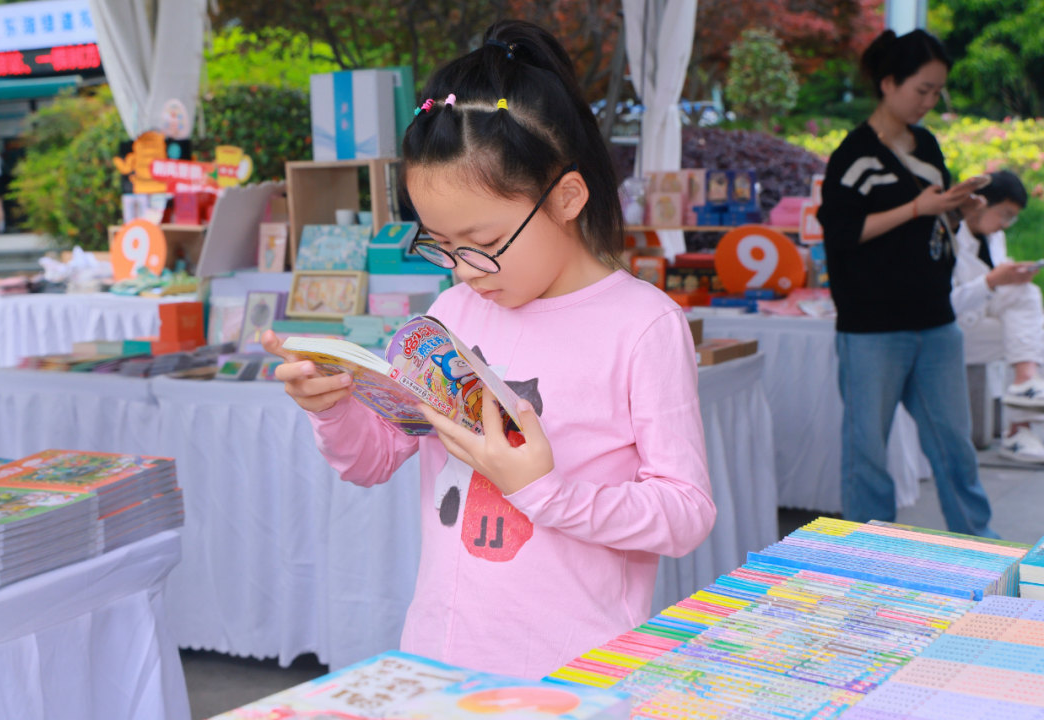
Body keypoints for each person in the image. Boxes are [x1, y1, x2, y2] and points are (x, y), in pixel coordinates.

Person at [263, 19, 716, 679]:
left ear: (567, 197)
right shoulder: (452, 312)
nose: (462, 271)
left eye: (482, 244)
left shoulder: (642, 325)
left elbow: (686, 513)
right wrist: (332, 405)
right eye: (441, 245)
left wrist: (546, 492)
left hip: (575, 671)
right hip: (440, 657)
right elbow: (375, 458)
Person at [818, 29, 997, 538]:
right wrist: (918, 207)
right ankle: (868, 557)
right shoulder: (854, 155)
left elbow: (932, 225)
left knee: (955, 449)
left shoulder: (927, 144)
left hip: (936, 320)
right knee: (867, 456)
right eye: (922, 89)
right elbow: (842, 232)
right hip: (871, 327)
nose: (929, 101)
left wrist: (959, 209)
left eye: (937, 91)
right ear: (888, 83)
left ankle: (982, 549)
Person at [951, 170, 1044, 461]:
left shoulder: (995, 238)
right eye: (1004, 214)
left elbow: (997, 293)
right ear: (979, 203)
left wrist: (1011, 278)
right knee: (1029, 338)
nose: (1004, 224)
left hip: (985, 320)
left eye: (1011, 218)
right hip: (953, 330)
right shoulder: (948, 237)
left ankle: (1025, 382)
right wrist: (991, 282)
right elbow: (942, 305)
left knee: (1027, 294)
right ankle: (1017, 430)